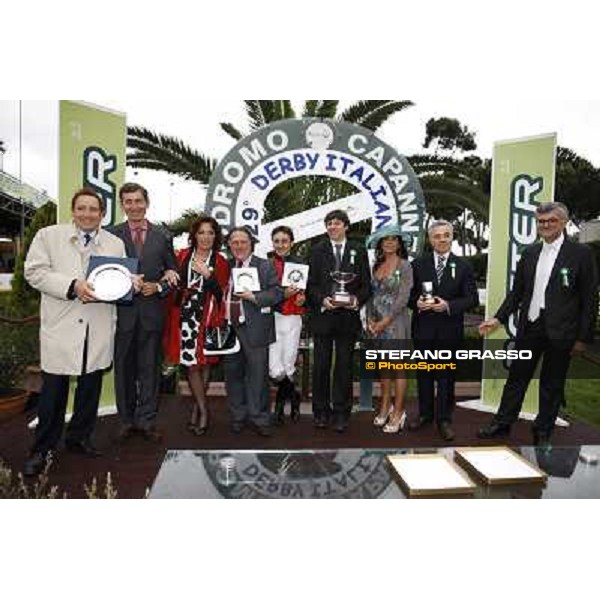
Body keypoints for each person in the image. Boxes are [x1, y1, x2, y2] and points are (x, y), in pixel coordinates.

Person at [22, 187, 135, 476]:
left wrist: (129, 282)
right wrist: (72, 285)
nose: (87, 214)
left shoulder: (114, 243)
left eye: (93, 209)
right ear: (73, 211)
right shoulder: (48, 236)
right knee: (53, 394)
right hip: (61, 326)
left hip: (96, 326)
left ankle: (79, 438)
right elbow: (34, 272)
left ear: (102, 213)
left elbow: (117, 278)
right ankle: (42, 449)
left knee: (89, 389)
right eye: (81, 208)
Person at [478, 202, 598, 447]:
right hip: (530, 327)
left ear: (563, 223)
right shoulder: (530, 253)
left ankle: (543, 429)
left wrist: (583, 338)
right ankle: (502, 423)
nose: (545, 225)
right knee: (516, 378)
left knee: (552, 384)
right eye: (541, 221)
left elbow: (589, 298)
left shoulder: (581, 254)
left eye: (551, 221)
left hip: (562, 332)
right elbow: (517, 293)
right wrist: (498, 318)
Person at [107, 183, 179, 443]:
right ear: (122, 204)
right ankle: (126, 421)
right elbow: (102, 274)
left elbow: (173, 273)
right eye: (128, 201)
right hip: (121, 314)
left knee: (150, 370)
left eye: (138, 201)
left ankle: (146, 421)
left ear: (146, 203)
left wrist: (158, 286)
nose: (134, 206)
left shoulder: (163, 235)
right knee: (123, 370)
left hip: (151, 314)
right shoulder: (110, 234)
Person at [408, 219, 478, 441]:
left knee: (446, 376)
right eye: (437, 236)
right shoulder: (417, 264)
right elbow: (408, 295)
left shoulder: (464, 265)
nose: (442, 239)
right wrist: (416, 303)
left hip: (449, 331)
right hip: (423, 330)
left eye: (446, 235)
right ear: (430, 239)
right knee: (424, 375)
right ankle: (425, 415)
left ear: (451, 237)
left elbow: (472, 299)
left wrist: (448, 305)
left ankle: (444, 419)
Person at [162, 216, 230, 435]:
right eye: (202, 232)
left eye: (210, 233)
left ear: (215, 236)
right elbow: (173, 284)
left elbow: (222, 294)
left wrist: (208, 276)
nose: (206, 237)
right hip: (185, 318)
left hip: (208, 318)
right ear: (194, 235)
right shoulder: (182, 255)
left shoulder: (220, 260)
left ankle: (196, 409)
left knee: (205, 364)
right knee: (191, 365)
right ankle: (204, 409)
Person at [307, 209, 371, 433]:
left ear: (346, 226)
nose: (332, 227)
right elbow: (310, 285)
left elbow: (366, 285)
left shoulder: (359, 250)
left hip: (348, 318)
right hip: (323, 316)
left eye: (336, 223)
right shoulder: (316, 251)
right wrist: (323, 300)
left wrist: (355, 300)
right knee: (321, 366)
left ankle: (342, 413)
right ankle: (321, 412)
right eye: (329, 223)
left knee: (344, 367)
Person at [223, 226, 283, 437]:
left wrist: (254, 297)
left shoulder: (265, 265)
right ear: (229, 245)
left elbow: (277, 294)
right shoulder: (224, 266)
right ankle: (239, 416)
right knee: (233, 375)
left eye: (243, 242)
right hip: (228, 330)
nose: (239, 246)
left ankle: (259, 417)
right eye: (234, 242)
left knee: (258, 376)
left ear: (251, 244)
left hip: (255, 328)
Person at [365, 225, 413, 433]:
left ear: (399, 243)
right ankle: (385, 406)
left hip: (396, 322)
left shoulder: (405, 266)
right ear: (380, 243)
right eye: (386, 239)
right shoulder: (377, 264)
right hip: (377, 324)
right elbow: (370, 295)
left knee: (399, 369)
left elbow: (404, 297)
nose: (390, 242)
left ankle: (399, 411)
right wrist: (369, 320)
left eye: (394, 239)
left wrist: (385, 320)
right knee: (384, 367)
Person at [268, 226, 306, 425]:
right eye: (277, 241)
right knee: (274, 369)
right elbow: (264, 294)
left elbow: (307, 292)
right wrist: (283, 296)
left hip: (293, 318)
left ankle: (279, 410)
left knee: (288, 367)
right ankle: (295, 395)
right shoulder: (266, 265)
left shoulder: (301, 263)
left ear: (292, 242)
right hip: (272, 317)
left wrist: (302, 299)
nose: (281, 244)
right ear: (272, 243)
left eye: (284, 241)